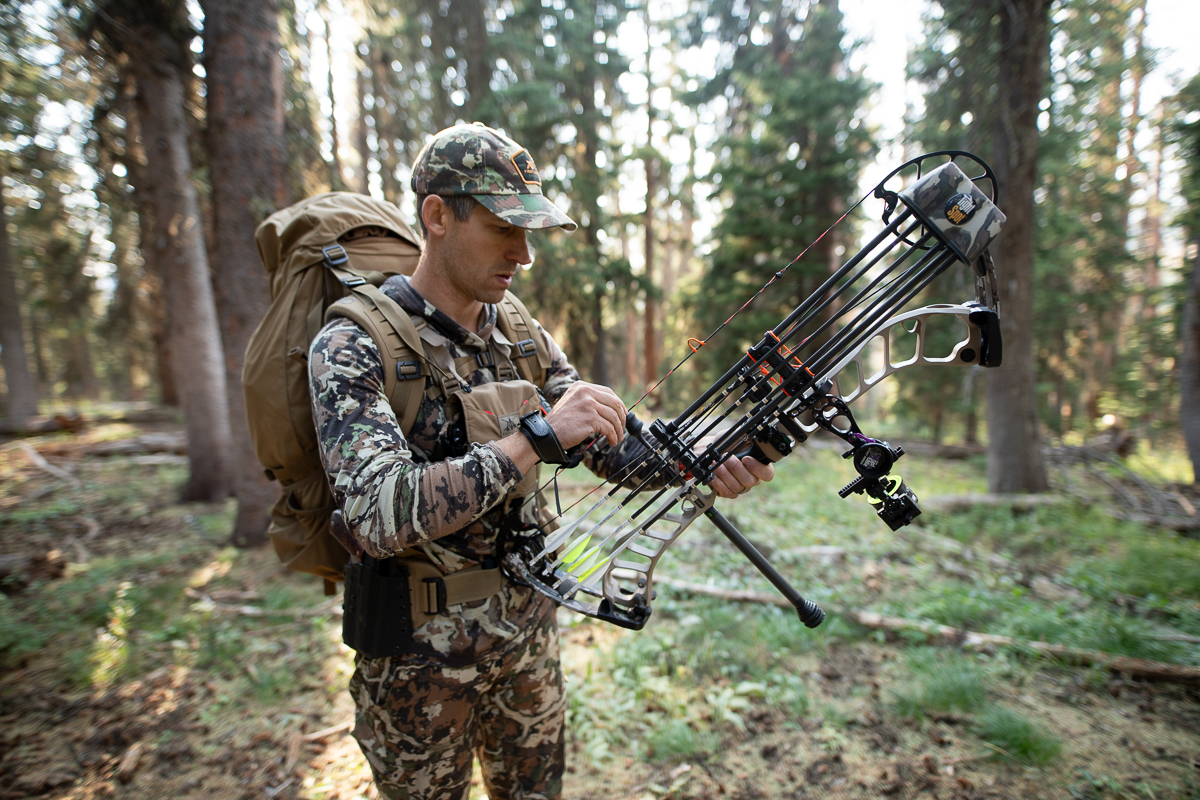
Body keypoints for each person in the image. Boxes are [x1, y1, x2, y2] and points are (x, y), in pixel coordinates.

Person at [307, 123, 774, 800]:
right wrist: (532, 439)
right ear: (438, 215)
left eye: (531, 233)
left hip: (526, 633)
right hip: (415, 663)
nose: (524, 254)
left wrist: (706, 456)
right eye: (505, 229)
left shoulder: (517, 329)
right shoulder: (353, 343)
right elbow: (379, 513)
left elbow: (609, 447)